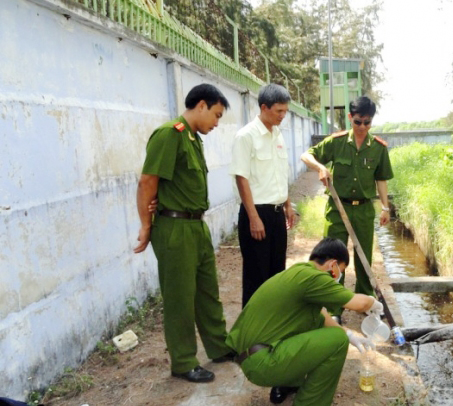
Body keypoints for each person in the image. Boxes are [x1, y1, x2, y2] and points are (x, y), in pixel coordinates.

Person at [225, 237, 382, 406]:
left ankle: (286, 384)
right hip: (263, 364)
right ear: (333, 264)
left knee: (318, 325)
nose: (339, 276)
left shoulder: (299, 272)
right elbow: (358, 304)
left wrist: (349, 334)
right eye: (341, 271)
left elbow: (320, 316)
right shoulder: (315, 278)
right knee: (337, 342)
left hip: (252, 358)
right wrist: (374, 303)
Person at [134, 83, 235, 383]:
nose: (216, 123)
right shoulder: (170, 134)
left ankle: (219, 346)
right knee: (180, 297)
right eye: (216, 115)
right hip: (174, 228)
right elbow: (147, 181)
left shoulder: (192, 139)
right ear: (201, 105)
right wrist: (145, 225)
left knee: (207, 291)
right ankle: (183, 361)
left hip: (195, 225)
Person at [300, 96, 393, 322]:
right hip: (337, 208)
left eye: (367, 123)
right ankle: (334, 307)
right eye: (358, 121)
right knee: (332, 258)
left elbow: (381, 179)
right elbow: (306, 156)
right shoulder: (337, 142)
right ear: (350, 118)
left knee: (363, 259)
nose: (362, 127)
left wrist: (385, 208)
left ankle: (363, 300)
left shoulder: (378, 148)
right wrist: (321, 167)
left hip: (363, 210)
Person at [229, 83, 297, 307]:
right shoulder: (246, 136)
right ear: (264, 107)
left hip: (277, 214)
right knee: (256, 276)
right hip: (256, 213)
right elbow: (242, 178)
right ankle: (252, 334)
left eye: (285, 111)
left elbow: (279, 172)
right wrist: (253, 217)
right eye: (279, 111)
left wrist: (287, 205)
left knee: (277, 273)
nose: (283, 116)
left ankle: (273, 328)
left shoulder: (277, 134)